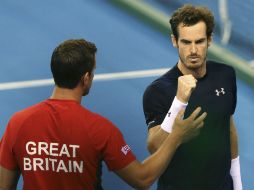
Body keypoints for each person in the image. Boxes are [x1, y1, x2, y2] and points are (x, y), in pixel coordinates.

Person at [0, 39, 207, 190]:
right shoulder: (100, 130)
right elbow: (143, 179)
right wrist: (176, 137)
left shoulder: (18, 123)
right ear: (86, 78)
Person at [143, 4, 243, 190]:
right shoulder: (158, 91)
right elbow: (154, 147)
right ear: (175, 41)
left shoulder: (226, 74)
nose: (194, 50)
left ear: (210, 40)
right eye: (186, 42)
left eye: (199, 41)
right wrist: (179, 101)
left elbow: (228, 127)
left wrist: (237, 183)